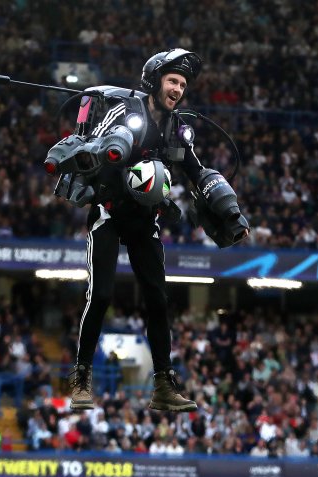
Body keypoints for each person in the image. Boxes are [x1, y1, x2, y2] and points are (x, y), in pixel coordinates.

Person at [57, 49, 243, 412]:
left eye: (183, 84)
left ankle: (163, 384)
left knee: (158, 300)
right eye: (172, 80)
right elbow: (91, 144)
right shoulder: (125, 111)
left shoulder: (178, 128)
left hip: (145, 221)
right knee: (102, 295)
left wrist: (231, 213)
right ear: (154, 81)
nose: (178, 89)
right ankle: (80, 376)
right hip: (108, 213)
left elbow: (197, 172)